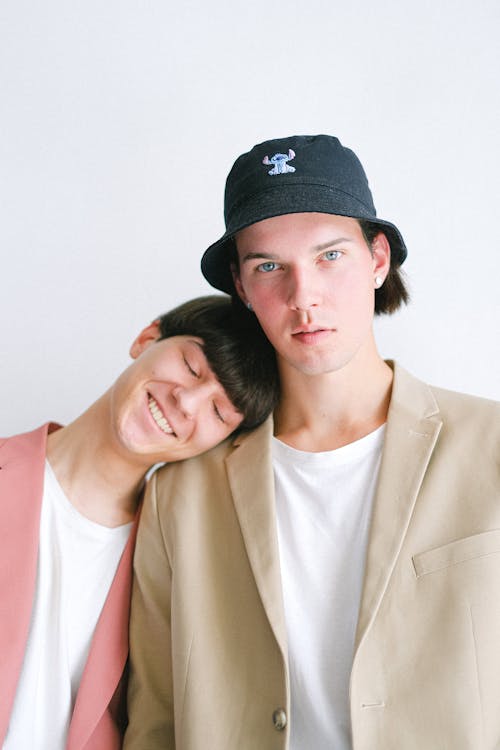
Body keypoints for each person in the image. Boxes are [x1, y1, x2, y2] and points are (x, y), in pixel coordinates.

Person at [125, 135, 500, 750]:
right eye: (269, 267)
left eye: (330, 255)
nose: (305, 298)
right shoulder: (181, 493)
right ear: (242, 290)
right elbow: (155, 719)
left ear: (378, 260)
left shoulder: (490, 447)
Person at [0, 295, 278, 750]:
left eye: (218, 412)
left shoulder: (175, 566)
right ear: (147, 338)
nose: (187, 403)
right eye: (191, 366)